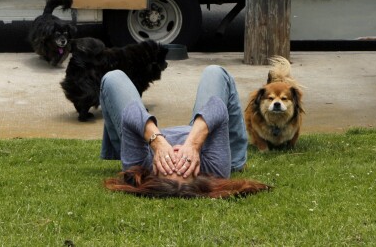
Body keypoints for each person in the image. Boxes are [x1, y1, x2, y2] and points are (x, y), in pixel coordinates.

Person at [99, 65, 270, 198]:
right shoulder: (215, 169)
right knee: (216, 72)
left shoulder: (140, 166)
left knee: (112, 78)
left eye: (168, 166)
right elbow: (217, 107)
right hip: (208, 139)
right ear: (199, 174)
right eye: (184, 167)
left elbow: (131, 113)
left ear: (154, 175)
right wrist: (193, 144)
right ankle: (236, 161)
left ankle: (123, 149)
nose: (176, 157)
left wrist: (158, 144)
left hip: (147, 137)